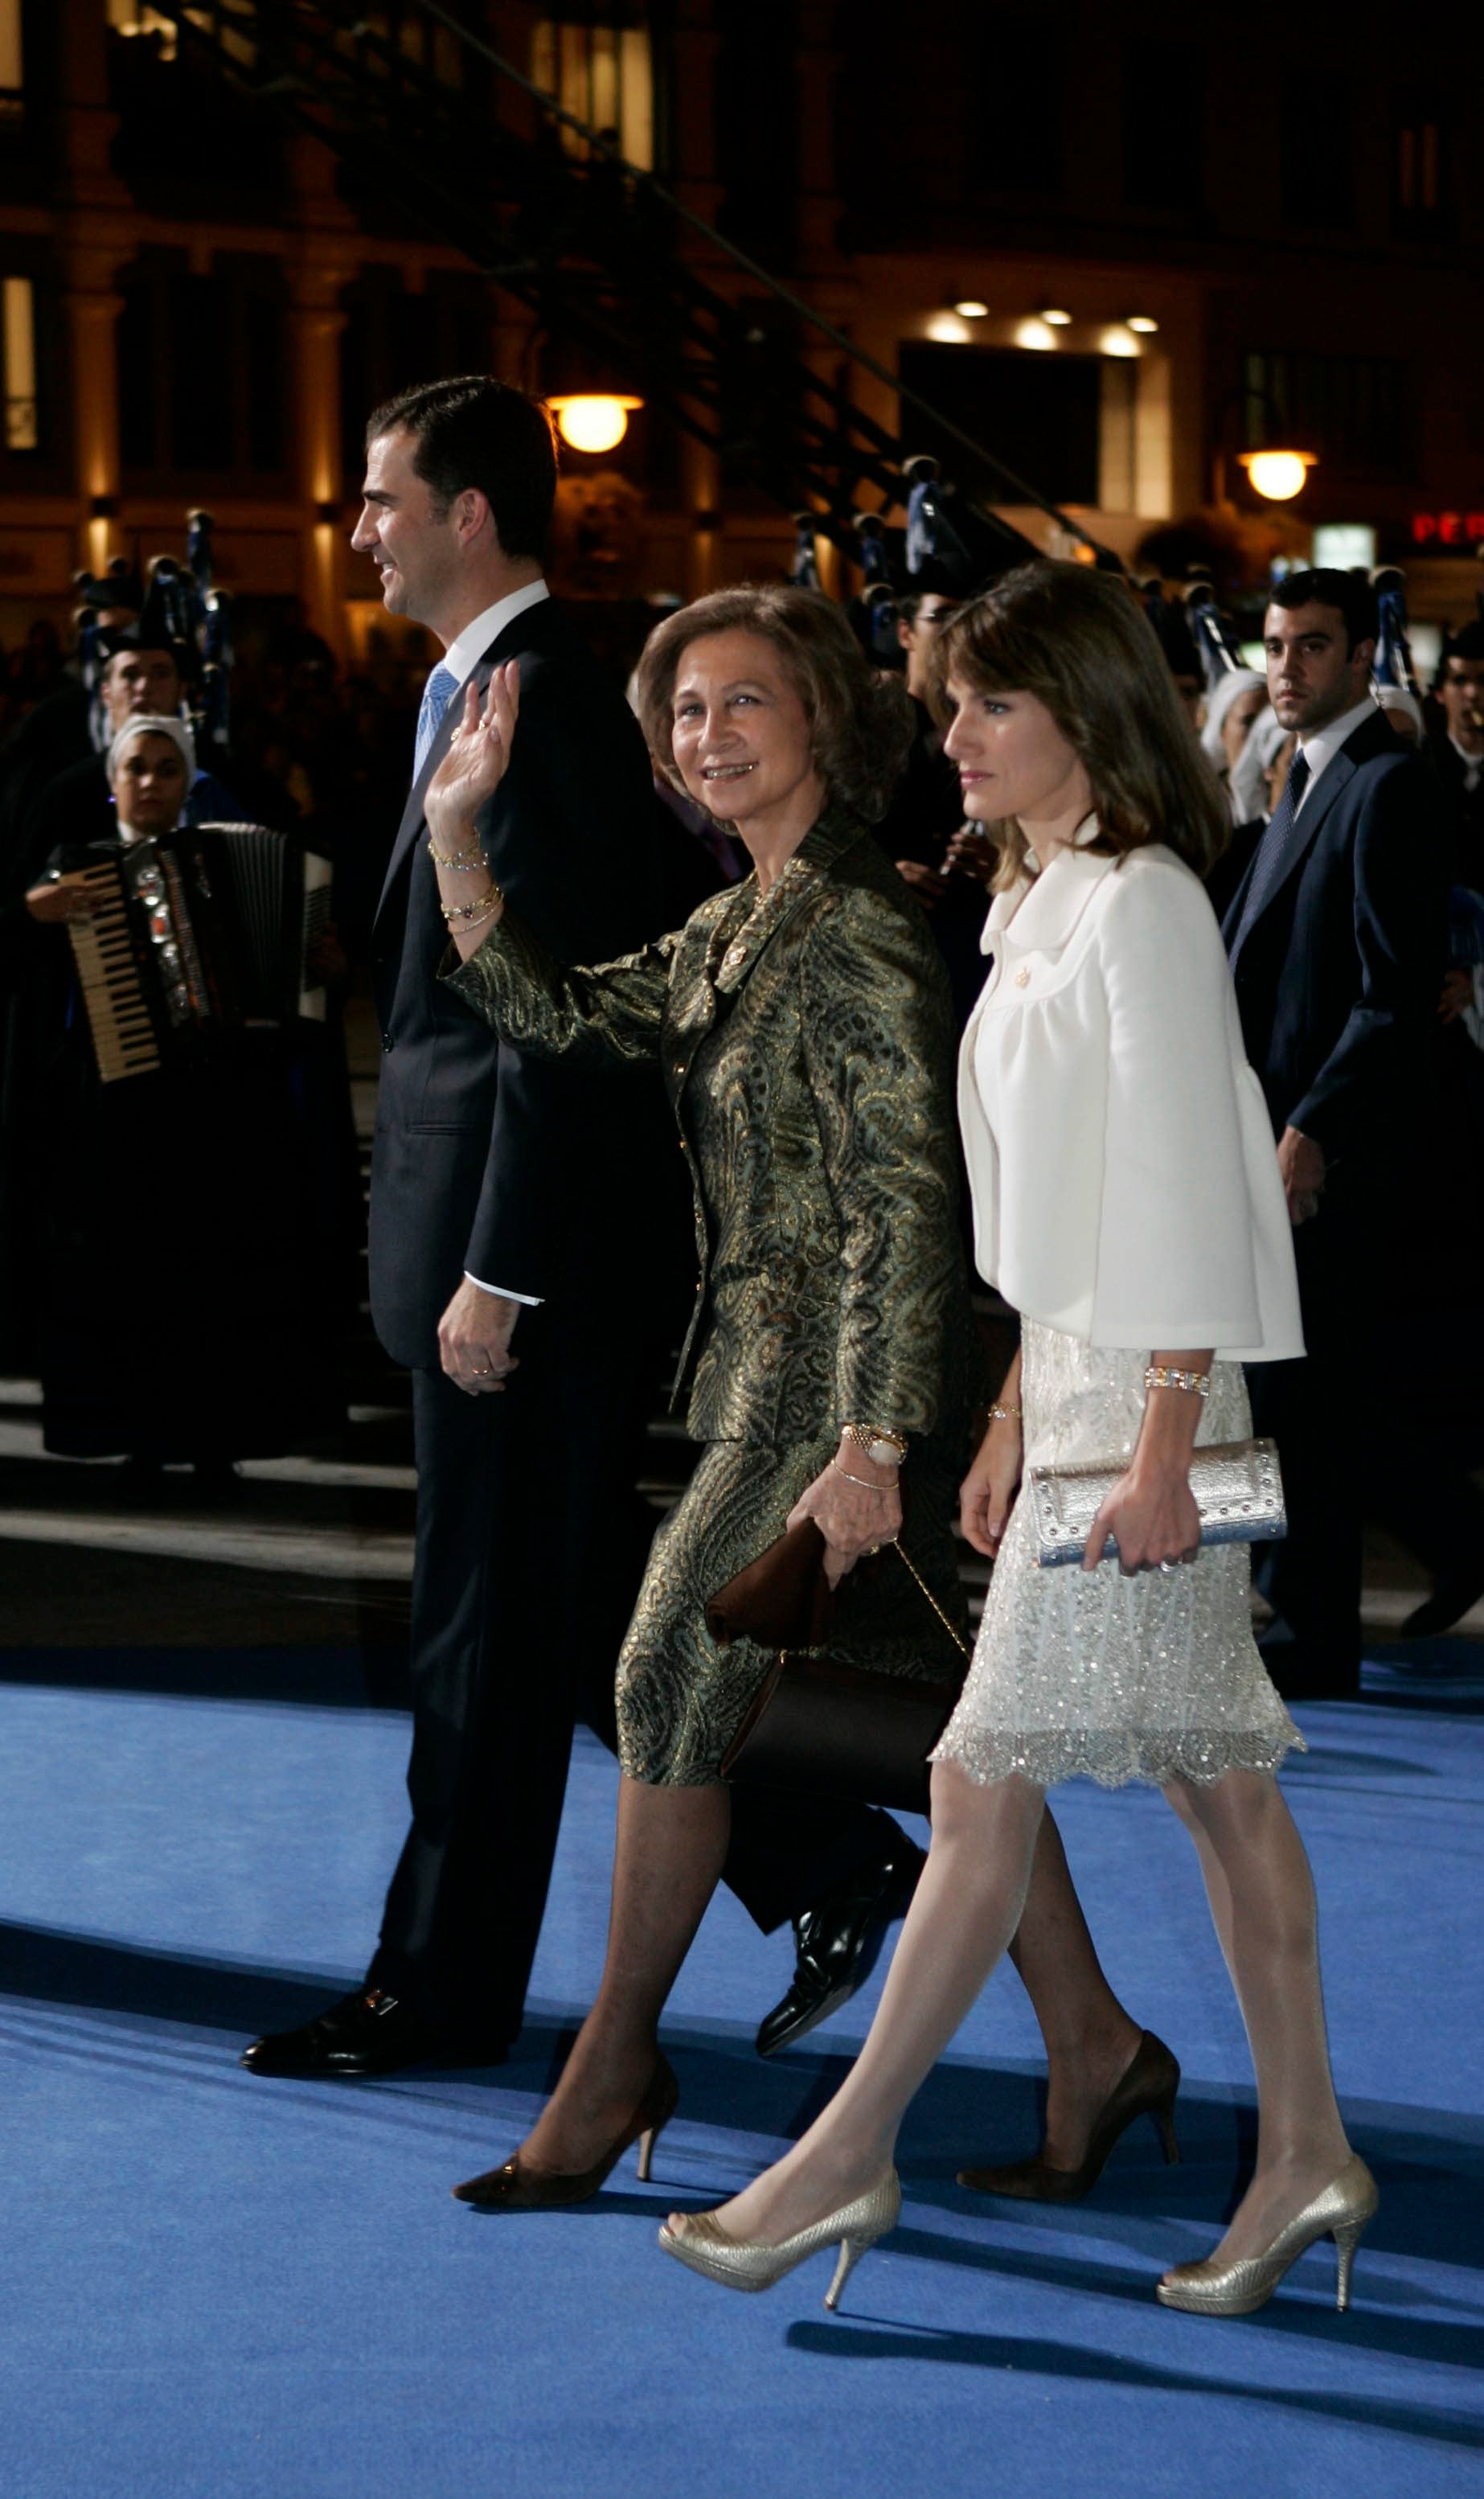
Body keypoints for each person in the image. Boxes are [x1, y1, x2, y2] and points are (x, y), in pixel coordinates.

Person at [660, 560, 1378, 2324]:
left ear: (1082, 711)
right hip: (1072, 1387)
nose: (949, 731)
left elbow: (1192, 1184)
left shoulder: (1135, 900)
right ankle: (1304, 2158)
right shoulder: (1036, 894)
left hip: (1146, 1396)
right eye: (947, 699)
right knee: (1220, 1791)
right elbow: (1058, 1212)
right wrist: (1002, 1413)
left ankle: (843, 2157)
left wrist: (1148, 1447)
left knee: (979, 1783)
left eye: (989, 702)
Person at [241, 385, 929, 2085]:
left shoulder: (539, 708)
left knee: (488, 1637)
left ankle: (437, 1994)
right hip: (497, 1249)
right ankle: (817, 1851)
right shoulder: (482, 695)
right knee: (546, 1617)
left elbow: (550, 1038)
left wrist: (501, 1270)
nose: (357, 531)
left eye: (379, 498)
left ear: (469, 512)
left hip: (522, 1266)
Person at [424, 580, 982, 2207]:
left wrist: (878, 1440)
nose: (705, 733)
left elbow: (906, 1203)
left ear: (821, 716)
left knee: (665, 1678)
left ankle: (612, 2065)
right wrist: (462, 832)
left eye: (742, 701)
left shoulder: (856, 924)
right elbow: (567, 1016)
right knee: (964, 1748)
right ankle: (1094, 2052)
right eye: (682, 710)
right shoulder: (745, 916)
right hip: (756, 1378)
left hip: (832, 1393)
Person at [1224, 569, 1452, 1698]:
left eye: (1310, 646)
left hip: (1329, 1155)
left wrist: (1310, 1131)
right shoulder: (1301, 779)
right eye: (1273, 645)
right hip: (1275, 1139)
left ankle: (1310, 1634)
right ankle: (1303, 1614)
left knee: (1302, 1400)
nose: (1285, 666)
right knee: (1294, 1397)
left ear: (1362, 654)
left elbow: (1392, 992)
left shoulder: (1385, 784)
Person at [22, 716, 341, 1466]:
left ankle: (215, 1439)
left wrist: (323, 970)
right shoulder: (76, 867)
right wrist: (34, 914)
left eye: (168, 769)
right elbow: (28, 976)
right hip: (118, 1107)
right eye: (137, 767)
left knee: (217, 1279)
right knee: (133, 1281)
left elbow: (288, 1005)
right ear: (112, 780)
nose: (151, 783)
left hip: (221, 1109)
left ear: (186, 781)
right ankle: (136, 1438)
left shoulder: (223, 854)